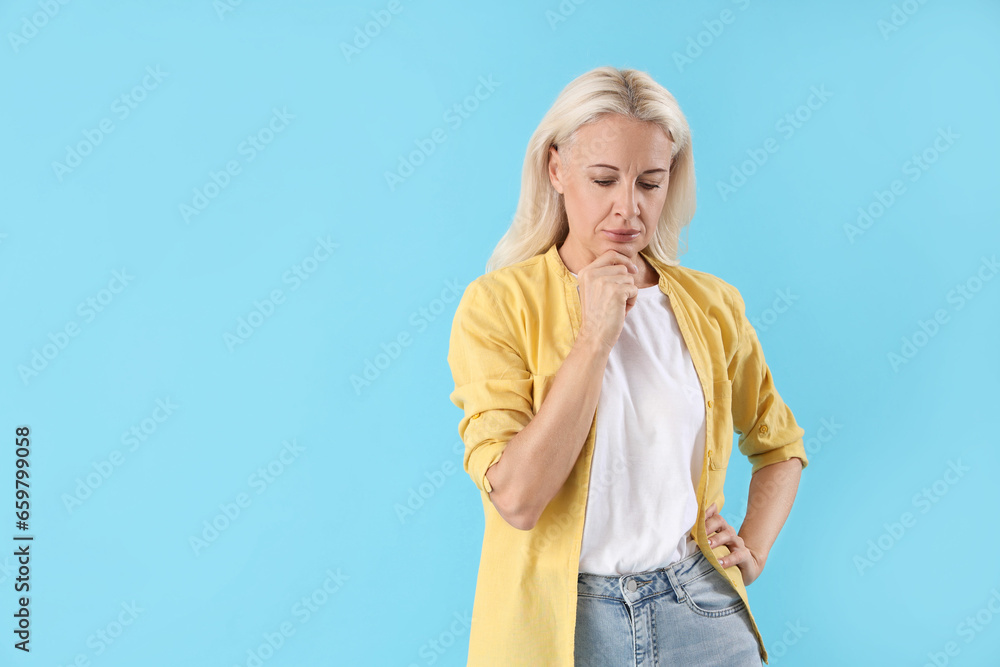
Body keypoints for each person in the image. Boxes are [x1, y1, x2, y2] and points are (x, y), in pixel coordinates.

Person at [447, 66, 809, 667]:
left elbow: (780, 446)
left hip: (700, 614)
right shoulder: (498, 306)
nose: (628, 208)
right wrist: (594, 336)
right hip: (563, 628)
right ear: (556, 169)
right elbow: (516, 499)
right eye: (604, 179)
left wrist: (755, 548)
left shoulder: (711, 305)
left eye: (649, 182)